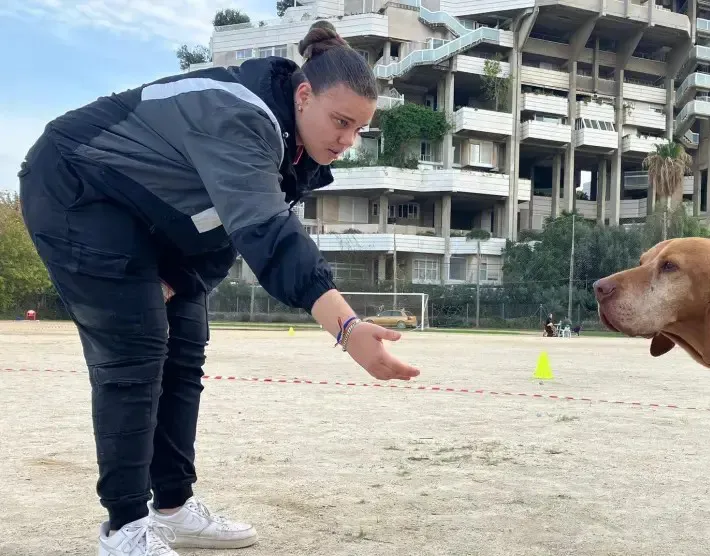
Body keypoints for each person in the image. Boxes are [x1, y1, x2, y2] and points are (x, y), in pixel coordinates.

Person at [17, 21, 420, 556]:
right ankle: (124, 527)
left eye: (358, 131)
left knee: (185, 348)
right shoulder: (240, 114)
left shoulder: (293, 151)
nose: (346, 141)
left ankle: (174, 508)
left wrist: (179, 279)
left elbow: (223, 234)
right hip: (76, 186)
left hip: (152, 218)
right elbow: (266, 231)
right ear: (304, 95)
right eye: (340, 122)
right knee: (135, 351)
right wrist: (346, 327)